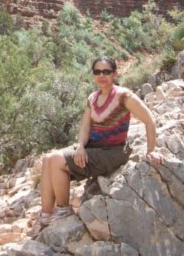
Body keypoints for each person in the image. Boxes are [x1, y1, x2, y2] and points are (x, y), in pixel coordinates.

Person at [28, 56, 164, 238]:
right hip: (93, 147)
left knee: (56, 160)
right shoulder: (92, 98)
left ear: (115, 74)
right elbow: (84, 128)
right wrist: (80, 147)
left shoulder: (124, 96)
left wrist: (151, 151)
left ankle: (63, 210)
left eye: (106, 72)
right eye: (97, 72)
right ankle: (45, 217)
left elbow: (149, 120)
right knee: (47, 159)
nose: (102, 75)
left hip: (113, 152)